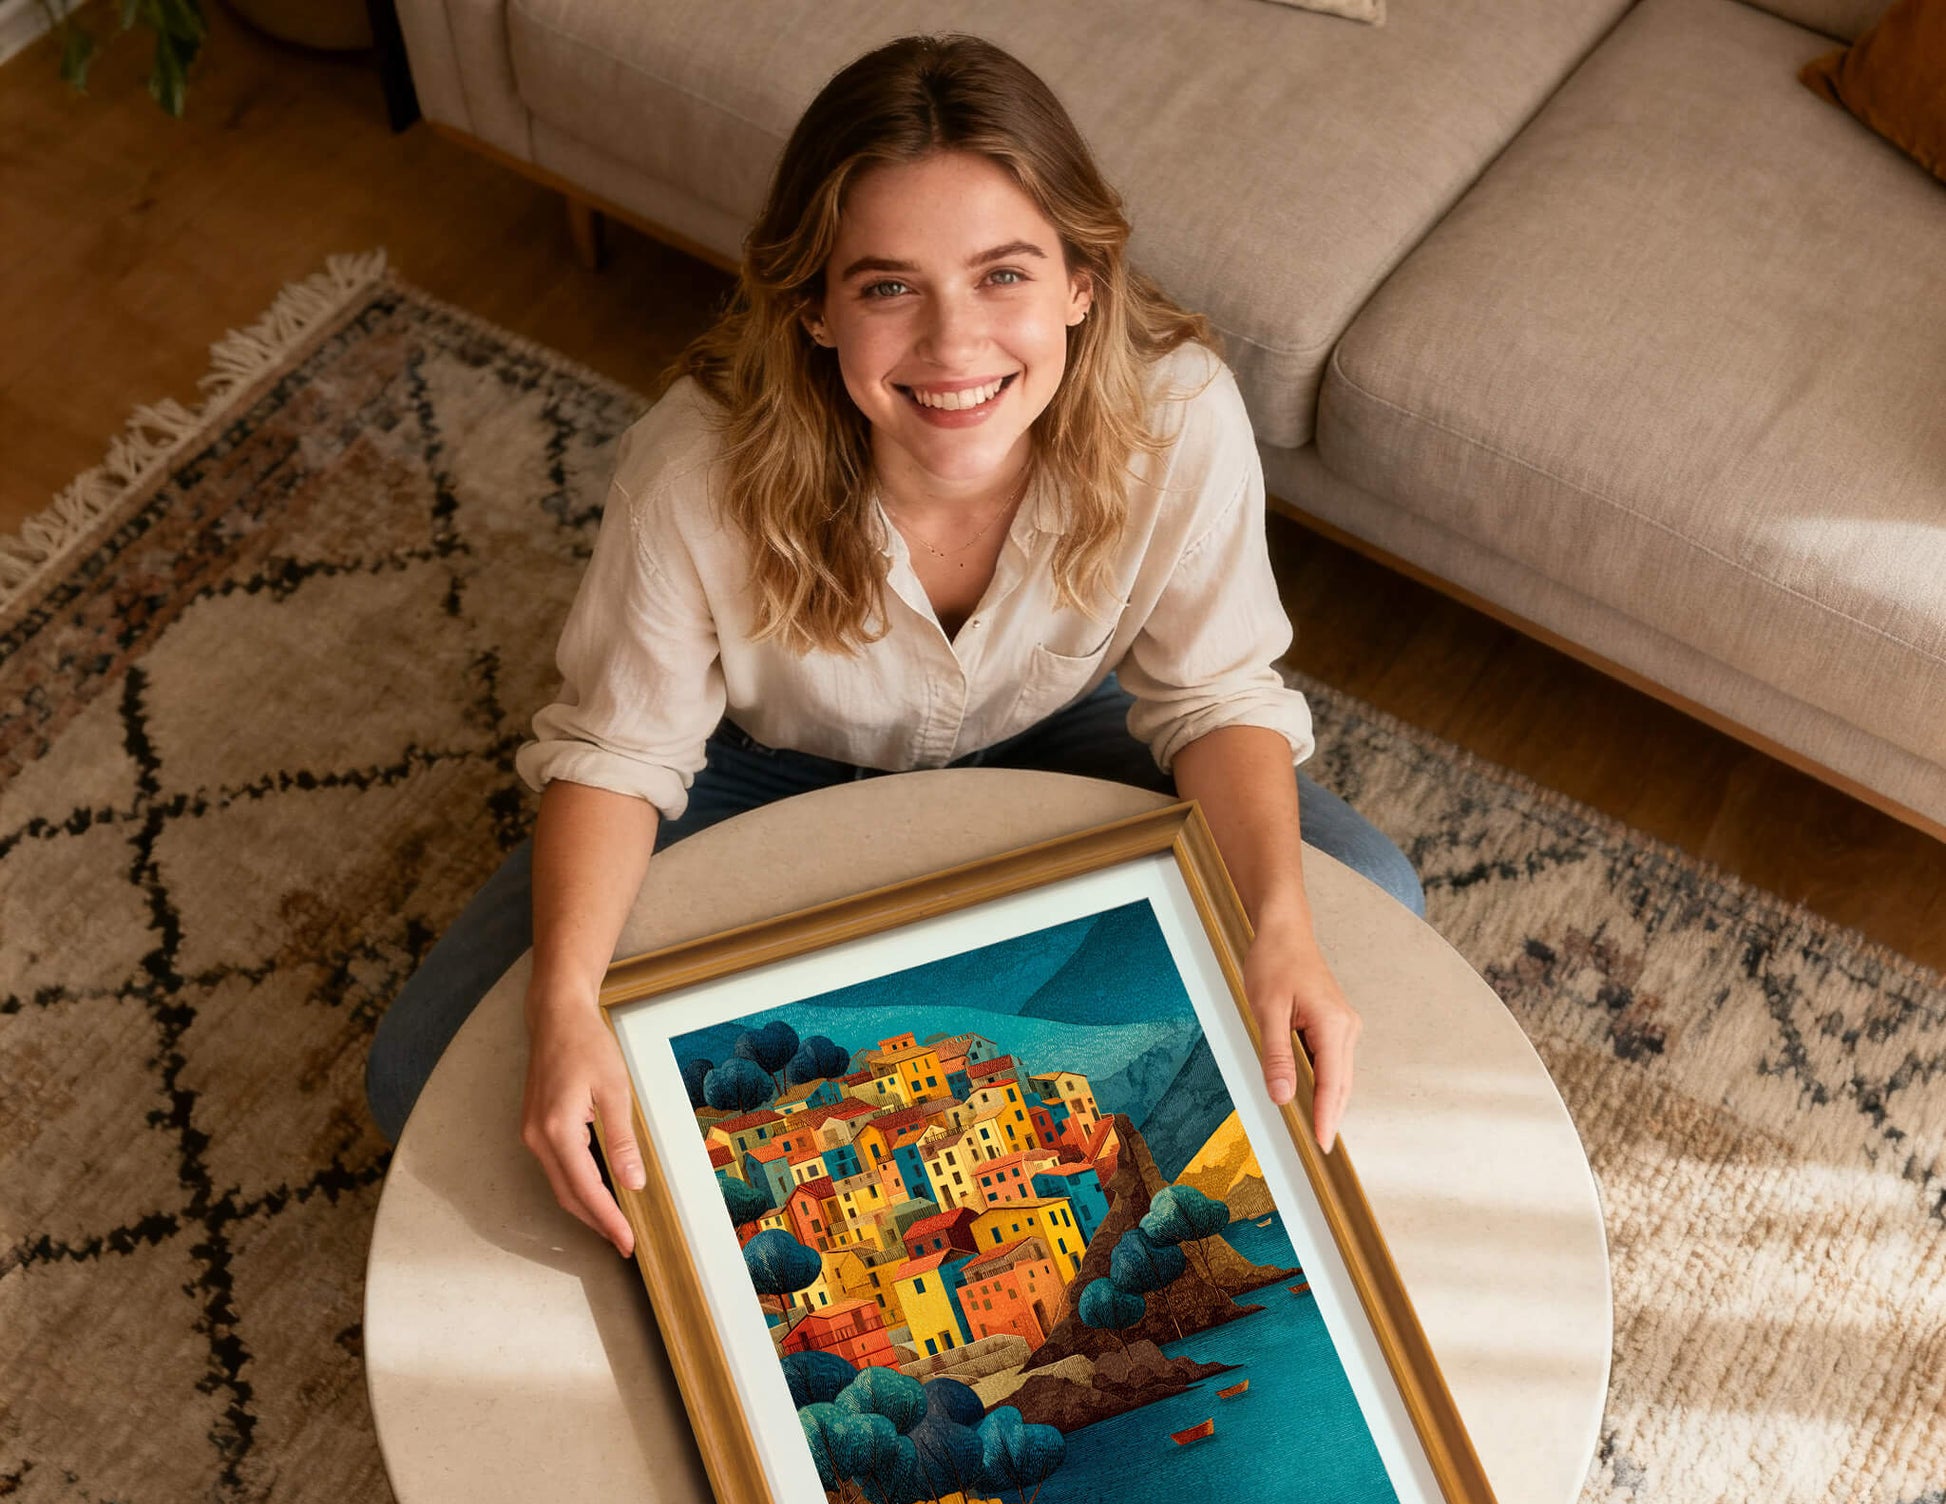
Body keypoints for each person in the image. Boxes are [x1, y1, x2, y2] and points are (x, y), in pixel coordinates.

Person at [364, 33, 1424, 1255]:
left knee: (1362, 898)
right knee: (423, 1074)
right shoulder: (691, 475)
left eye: (1002, 275)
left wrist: (1278, 917)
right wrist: (564, 1008)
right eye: (886, 287)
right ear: (813, 306)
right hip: (751, 768)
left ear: (1081, 281)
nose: (952, 345)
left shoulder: (1179, 416)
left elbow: (1212, 692)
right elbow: (616, 753)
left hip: (1057, 735)